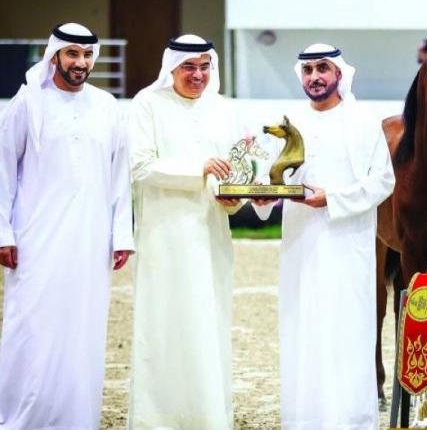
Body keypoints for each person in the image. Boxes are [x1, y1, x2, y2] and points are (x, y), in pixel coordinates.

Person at [252, 43, 394, 430]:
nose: (315, 77)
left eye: (322, 69)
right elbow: (271, 181)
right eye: (308, 70)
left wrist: (333, 199)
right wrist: (259, 193)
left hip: (347, 248)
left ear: (339, 74)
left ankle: (350, 422)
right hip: (300, 248)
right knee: (304, 335)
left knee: (346, 335)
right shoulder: (290, 122)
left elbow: (383, 181)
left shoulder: (363, 121)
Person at [0, 23, 134, 430]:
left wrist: (121, 235)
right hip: (36, 237)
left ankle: (76, 420)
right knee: (31, 326)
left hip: (91, 239)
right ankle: (19, 419)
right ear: (54, 55)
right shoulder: (27, 103)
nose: (81, 63)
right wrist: (3, 232)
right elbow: (3, 171)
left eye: (87, 55)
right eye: (72, 54)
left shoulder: (108, 105)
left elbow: (119, 176)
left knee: (83, 330)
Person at [128, 35, 244, 429]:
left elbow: (236, 170)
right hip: (165, 236)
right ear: (171, 69)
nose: (198, 75)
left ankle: (209, 418)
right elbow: (139, 167)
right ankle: (157, 420)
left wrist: (235, 200)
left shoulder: (223, 108)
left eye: (204, 66)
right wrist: (200, 170)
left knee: (209, 323)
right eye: (189, 67)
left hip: (211, 234)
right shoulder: (148, 104)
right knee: (164, 325)